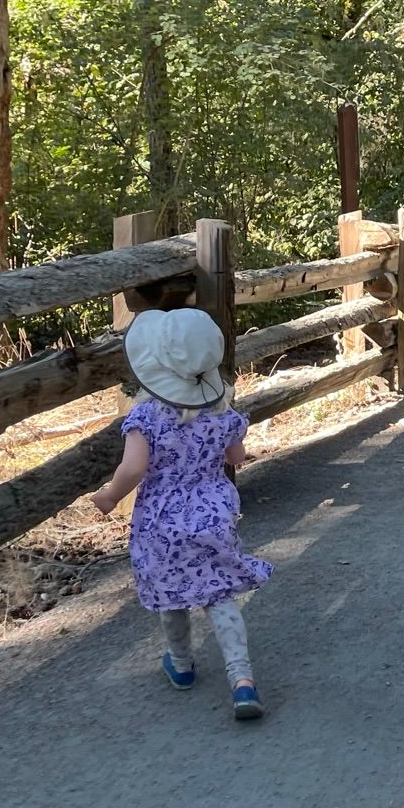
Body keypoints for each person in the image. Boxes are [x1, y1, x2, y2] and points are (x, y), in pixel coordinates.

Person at [92, 307, 273, 721]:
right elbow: (237, 456)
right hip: (213, 515)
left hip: (162, 521)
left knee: (171, 594)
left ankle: (182, 664)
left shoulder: (145, 418)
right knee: (220, 595)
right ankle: (242, 681)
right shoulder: (222, 415)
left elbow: (134, 469)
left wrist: (108, 496)